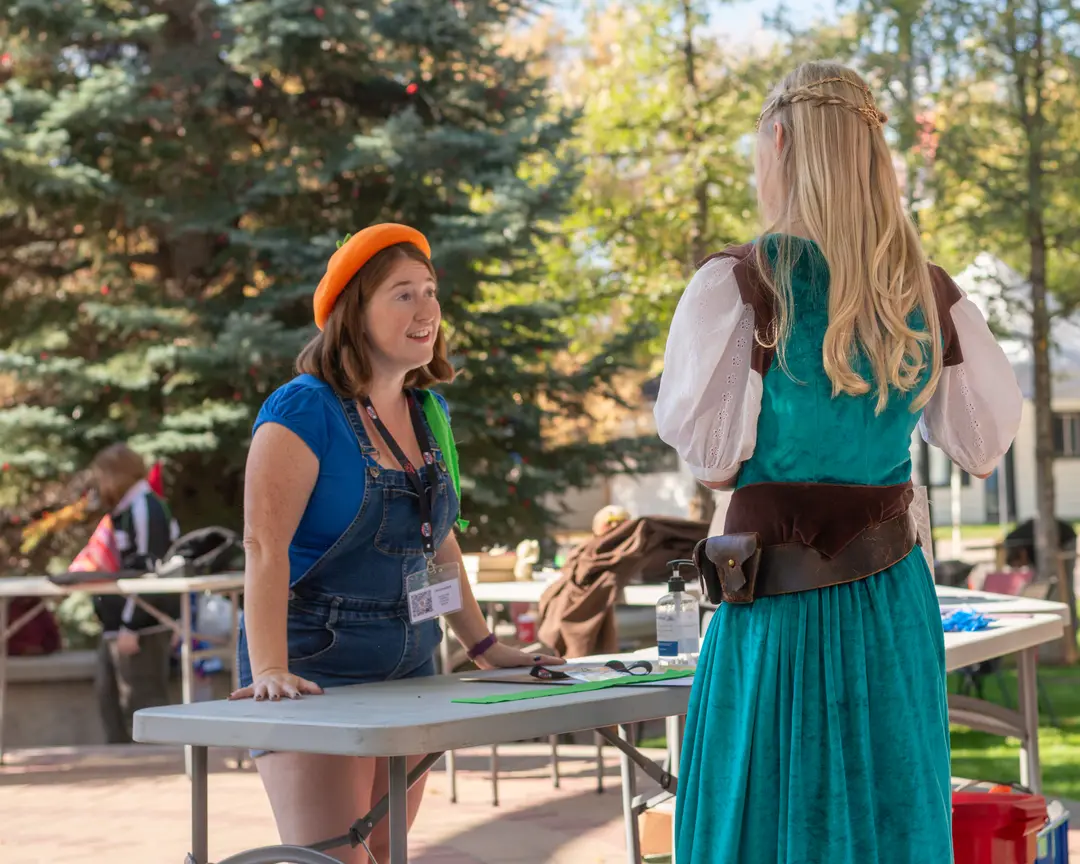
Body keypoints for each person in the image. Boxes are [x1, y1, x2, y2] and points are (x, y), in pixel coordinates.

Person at [654, 62, 1023, 863]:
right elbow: (981, 444)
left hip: (778, 607)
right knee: (888, 815)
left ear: (781, 141)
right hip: (891, 605)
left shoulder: (740, 283)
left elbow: (713, 462)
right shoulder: (926, 292)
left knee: (770, 816)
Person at [230, 223, 561, 864]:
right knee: (337, 857)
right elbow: (263, 547)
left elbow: (438, 543)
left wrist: (484, 647)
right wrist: (270, 671)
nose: (426, 309)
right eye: (403, 294)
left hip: (409, 660)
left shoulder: (430, 412)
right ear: (353, 312)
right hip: (311, 667)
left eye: (430, 291)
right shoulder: (301, 410)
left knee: (387, 851)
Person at [87, 443, 182, 744]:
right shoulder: (121, 509)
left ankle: (154, 763)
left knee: (142, 701)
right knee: (109, 697)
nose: (100, 483)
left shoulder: (146, 507)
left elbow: (150, 571)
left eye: (103, 476)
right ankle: (117, 758)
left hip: (142, 624)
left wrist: (132, 624)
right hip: (115, 624)